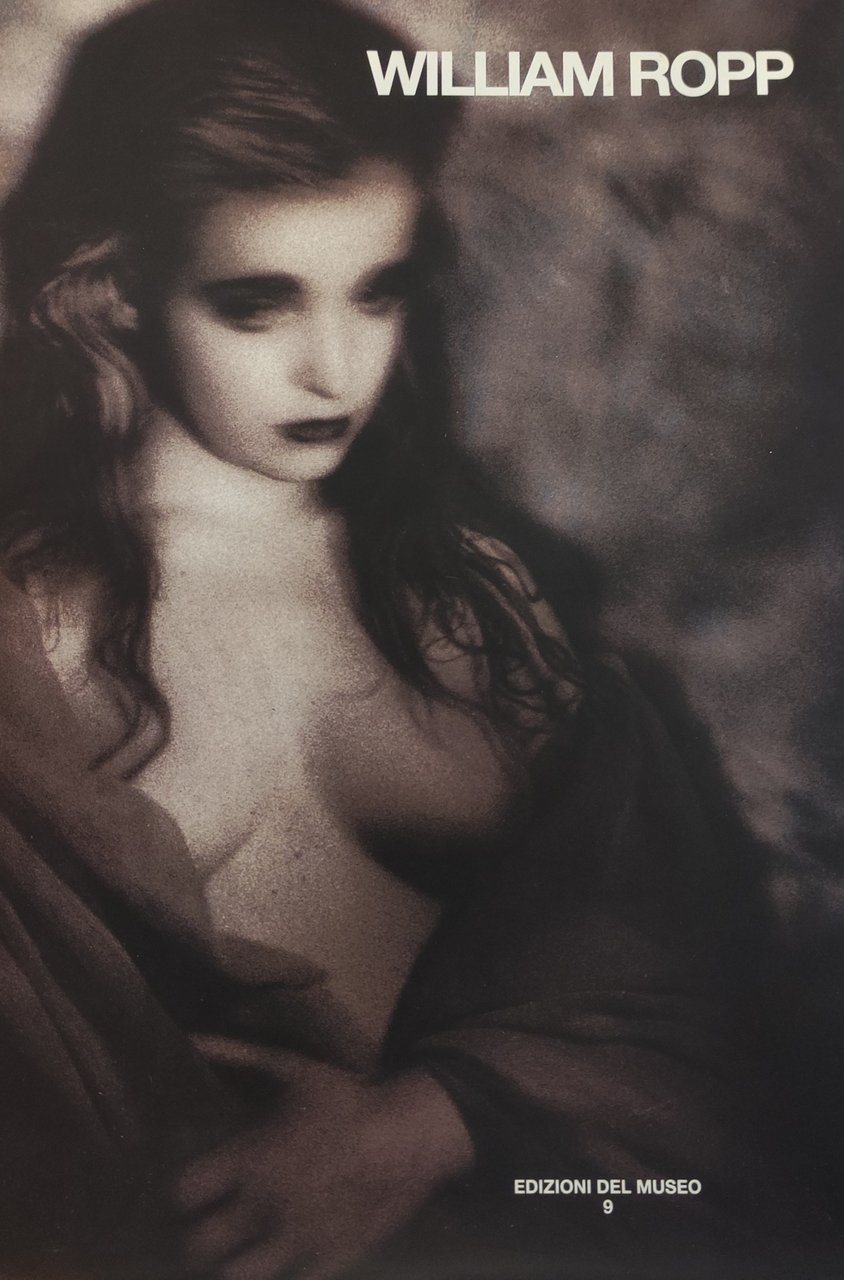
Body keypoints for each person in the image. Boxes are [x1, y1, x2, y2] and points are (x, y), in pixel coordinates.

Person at [0, 1, 824, 1277]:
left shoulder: (470, 594)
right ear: (111, 291)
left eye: (377, 292)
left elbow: (683, 1003)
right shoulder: (22, 650)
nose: (336, 369)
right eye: (257, 304)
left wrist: (429, 1121)